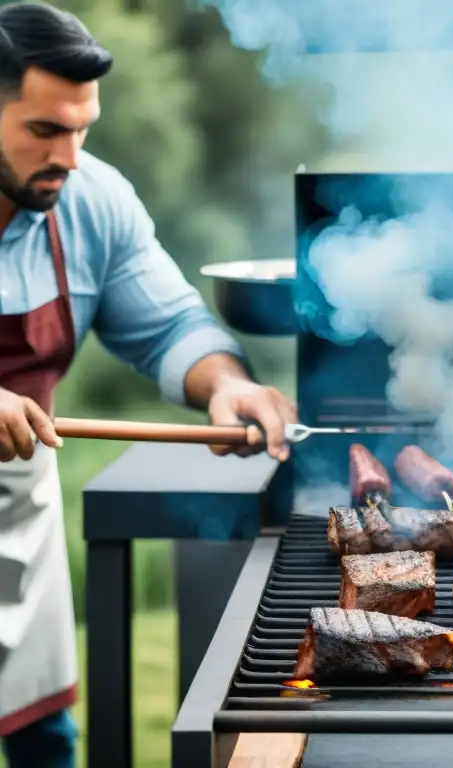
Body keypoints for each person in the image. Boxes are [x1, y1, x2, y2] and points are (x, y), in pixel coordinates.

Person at [0, 4, 297, 766]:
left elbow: (170, 327)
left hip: (11, 533)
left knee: (44, 746)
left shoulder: (90, 199)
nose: (69, 153)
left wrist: (226, 384)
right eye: (44, 130)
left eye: (82, 128)